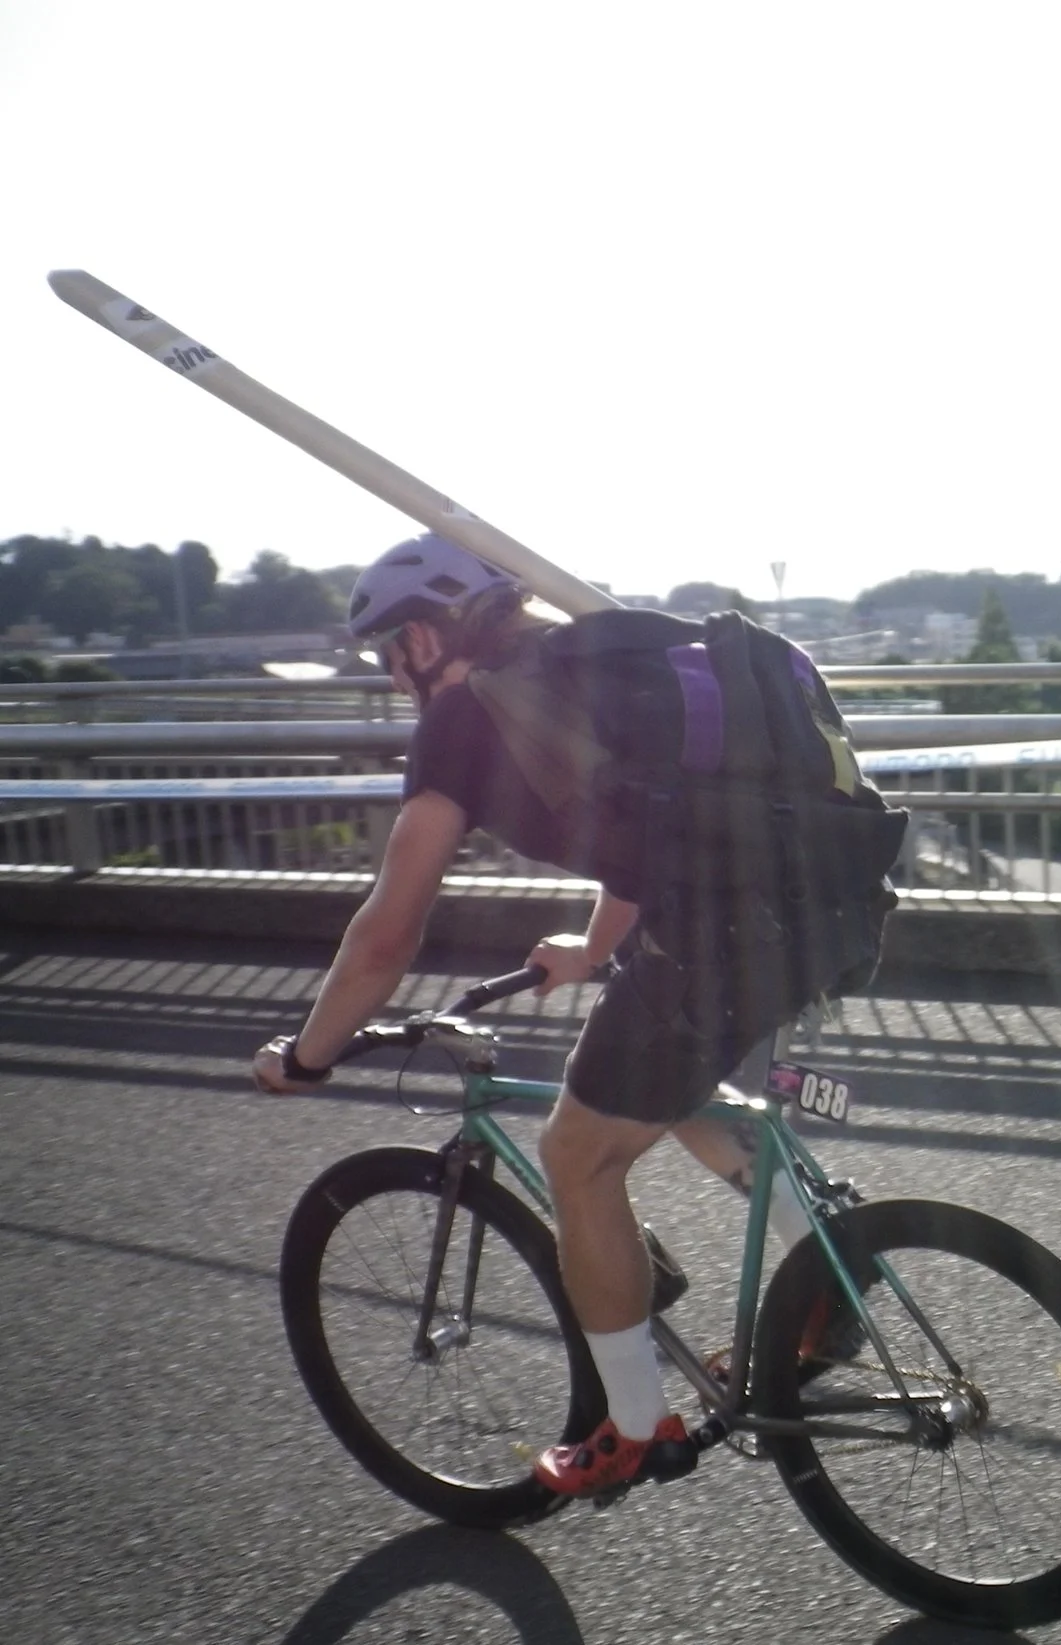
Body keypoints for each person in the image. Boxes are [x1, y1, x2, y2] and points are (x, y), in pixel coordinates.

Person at [255, 534, 902, 1497]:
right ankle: (827, 1275)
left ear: (426, 637)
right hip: (837, 906)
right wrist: (593, 952)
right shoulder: (624, 651)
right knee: (664, 1084)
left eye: (389, 652)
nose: (392, 676)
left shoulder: (463, 716)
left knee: (576, 1154)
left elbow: (388, 933)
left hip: (719, 938)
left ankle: (636, 1428)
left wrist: (309, 1055)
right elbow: (660, 827)